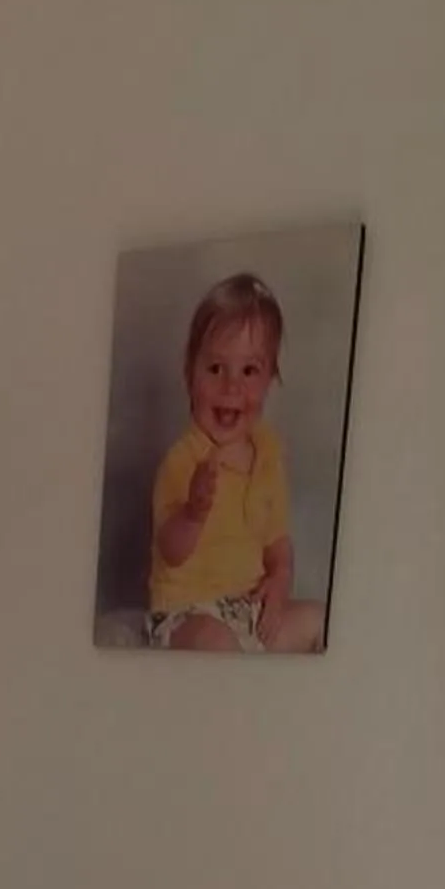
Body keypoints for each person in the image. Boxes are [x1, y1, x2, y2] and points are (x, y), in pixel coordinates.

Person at [144, 272, 323, 655]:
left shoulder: (269, 453)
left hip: (248, 612)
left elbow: (277, 543)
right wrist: (193, 513)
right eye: (215, 369)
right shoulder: (183, 460)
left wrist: (280, 580)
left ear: (270, 378)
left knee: (319, 621)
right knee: (214, 642)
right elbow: (170, 549)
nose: (231, 387)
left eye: (249, 370)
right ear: (189, 376)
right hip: (187, 614)